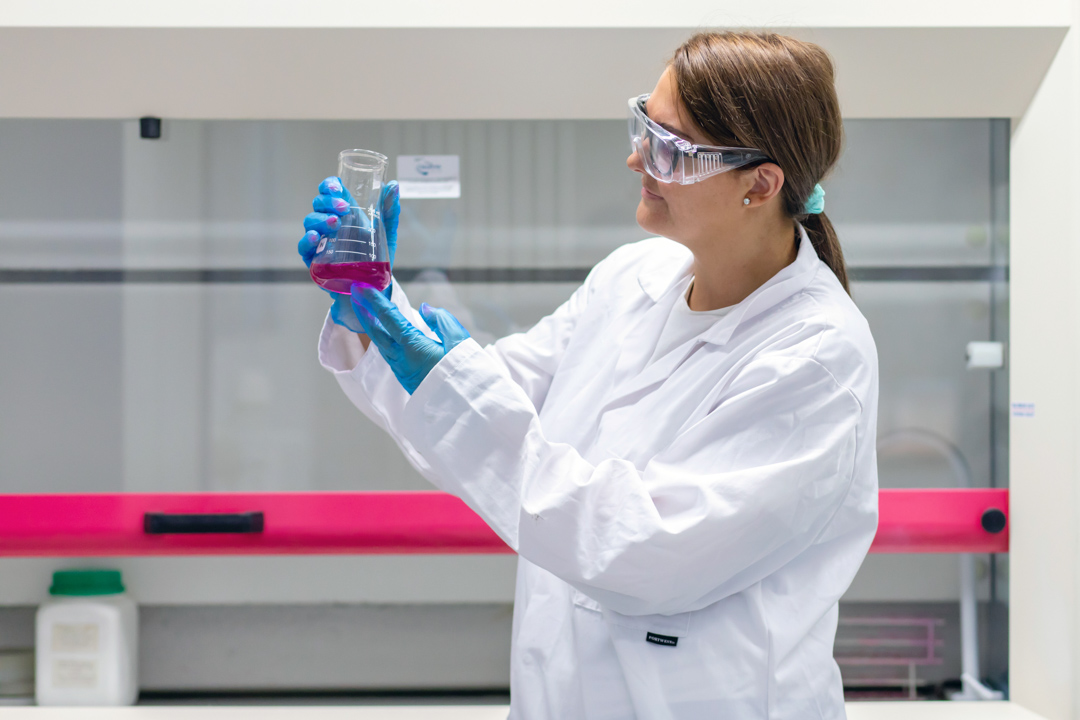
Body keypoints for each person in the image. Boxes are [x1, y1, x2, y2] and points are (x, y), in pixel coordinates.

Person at [299, 31, 878, 720]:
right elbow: (497, 400)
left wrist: (443, 378)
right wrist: (377, 310)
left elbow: (643, 549)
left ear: (761, 182)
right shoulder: (632, 278)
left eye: (669, 147)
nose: (636, 157)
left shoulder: (815, 357)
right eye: (643, 124)